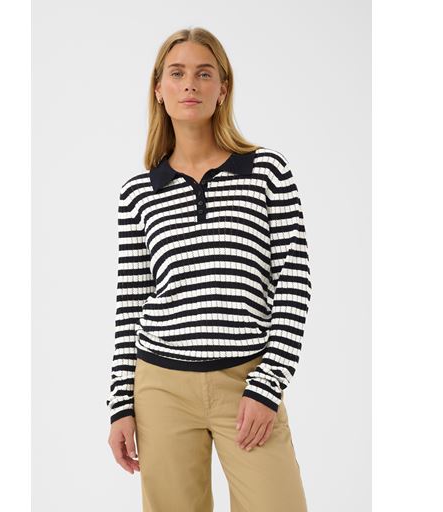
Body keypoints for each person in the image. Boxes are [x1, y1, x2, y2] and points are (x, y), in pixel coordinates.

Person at [106, 26, 312, 512]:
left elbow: (293, 282)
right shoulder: (139, 193)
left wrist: (267, 385)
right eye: (177, 73)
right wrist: (120, 405)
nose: (190, 85)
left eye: (204, 73)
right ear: (159, 89)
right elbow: (130, 303)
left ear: (223, 88)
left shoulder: (266, 172)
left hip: (247, 380)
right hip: (160, 386)